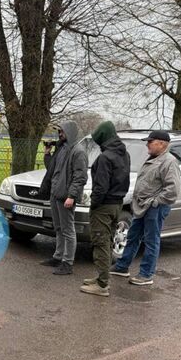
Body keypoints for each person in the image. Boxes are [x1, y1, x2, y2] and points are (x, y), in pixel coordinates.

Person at [110, 130, 181, 286]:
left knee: (151, 241)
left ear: (161, 144)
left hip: (155, 208)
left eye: (150, 142)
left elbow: (173, 190)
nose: (147, 144)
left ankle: (146, 274)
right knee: (133, 235)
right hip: (143, 206)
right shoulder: (153, 159)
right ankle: (122, 267)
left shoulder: (169, 162)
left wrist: (154, 202)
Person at [80, 121, 130, 297]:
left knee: (100, 242)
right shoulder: (124, 155)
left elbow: (100, 187)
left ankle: (102, 285)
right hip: (117, 204)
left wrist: (94, 204)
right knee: (107, 241)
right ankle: (102, 276)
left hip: (103, 206)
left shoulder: (105, 158)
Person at [39, 121, 88, 275]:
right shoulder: (62, 149)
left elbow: (80, 177)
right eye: (59, 132)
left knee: (68, 230)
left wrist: (71, 196)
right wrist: (47, 154)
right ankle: (58, 256)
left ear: (70, 132)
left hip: (66, 196)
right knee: (58, 228)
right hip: (55, 193)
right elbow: (52, 169)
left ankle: (68, 263)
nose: (60, 135)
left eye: (62, 132)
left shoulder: (78, 152)